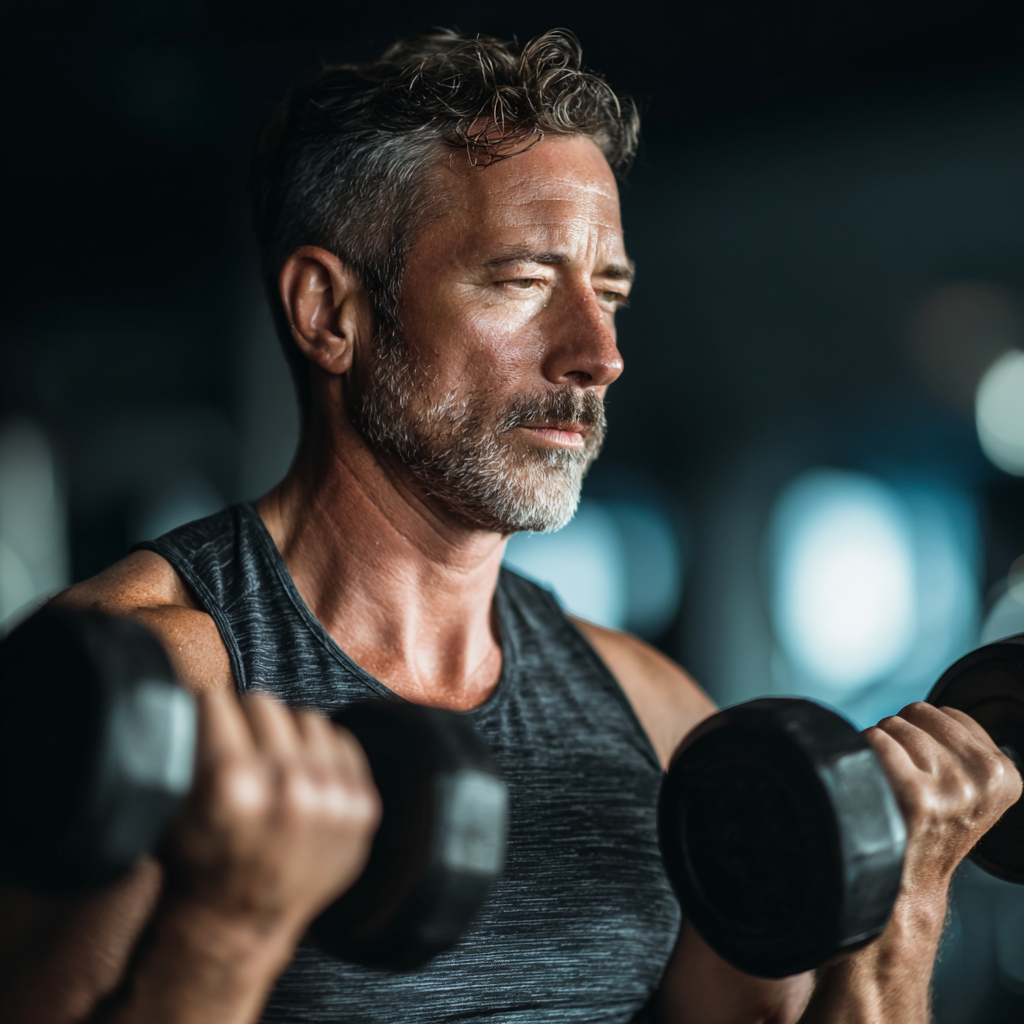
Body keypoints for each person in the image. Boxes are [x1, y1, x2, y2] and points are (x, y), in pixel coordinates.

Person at [1, 28, 1019, 1024]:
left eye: (607, 291)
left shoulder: (653, 715)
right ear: (329, 312)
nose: (597, 353)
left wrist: (906, 904)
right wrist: (225, 928)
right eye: (523, 280)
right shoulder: (148, 689)